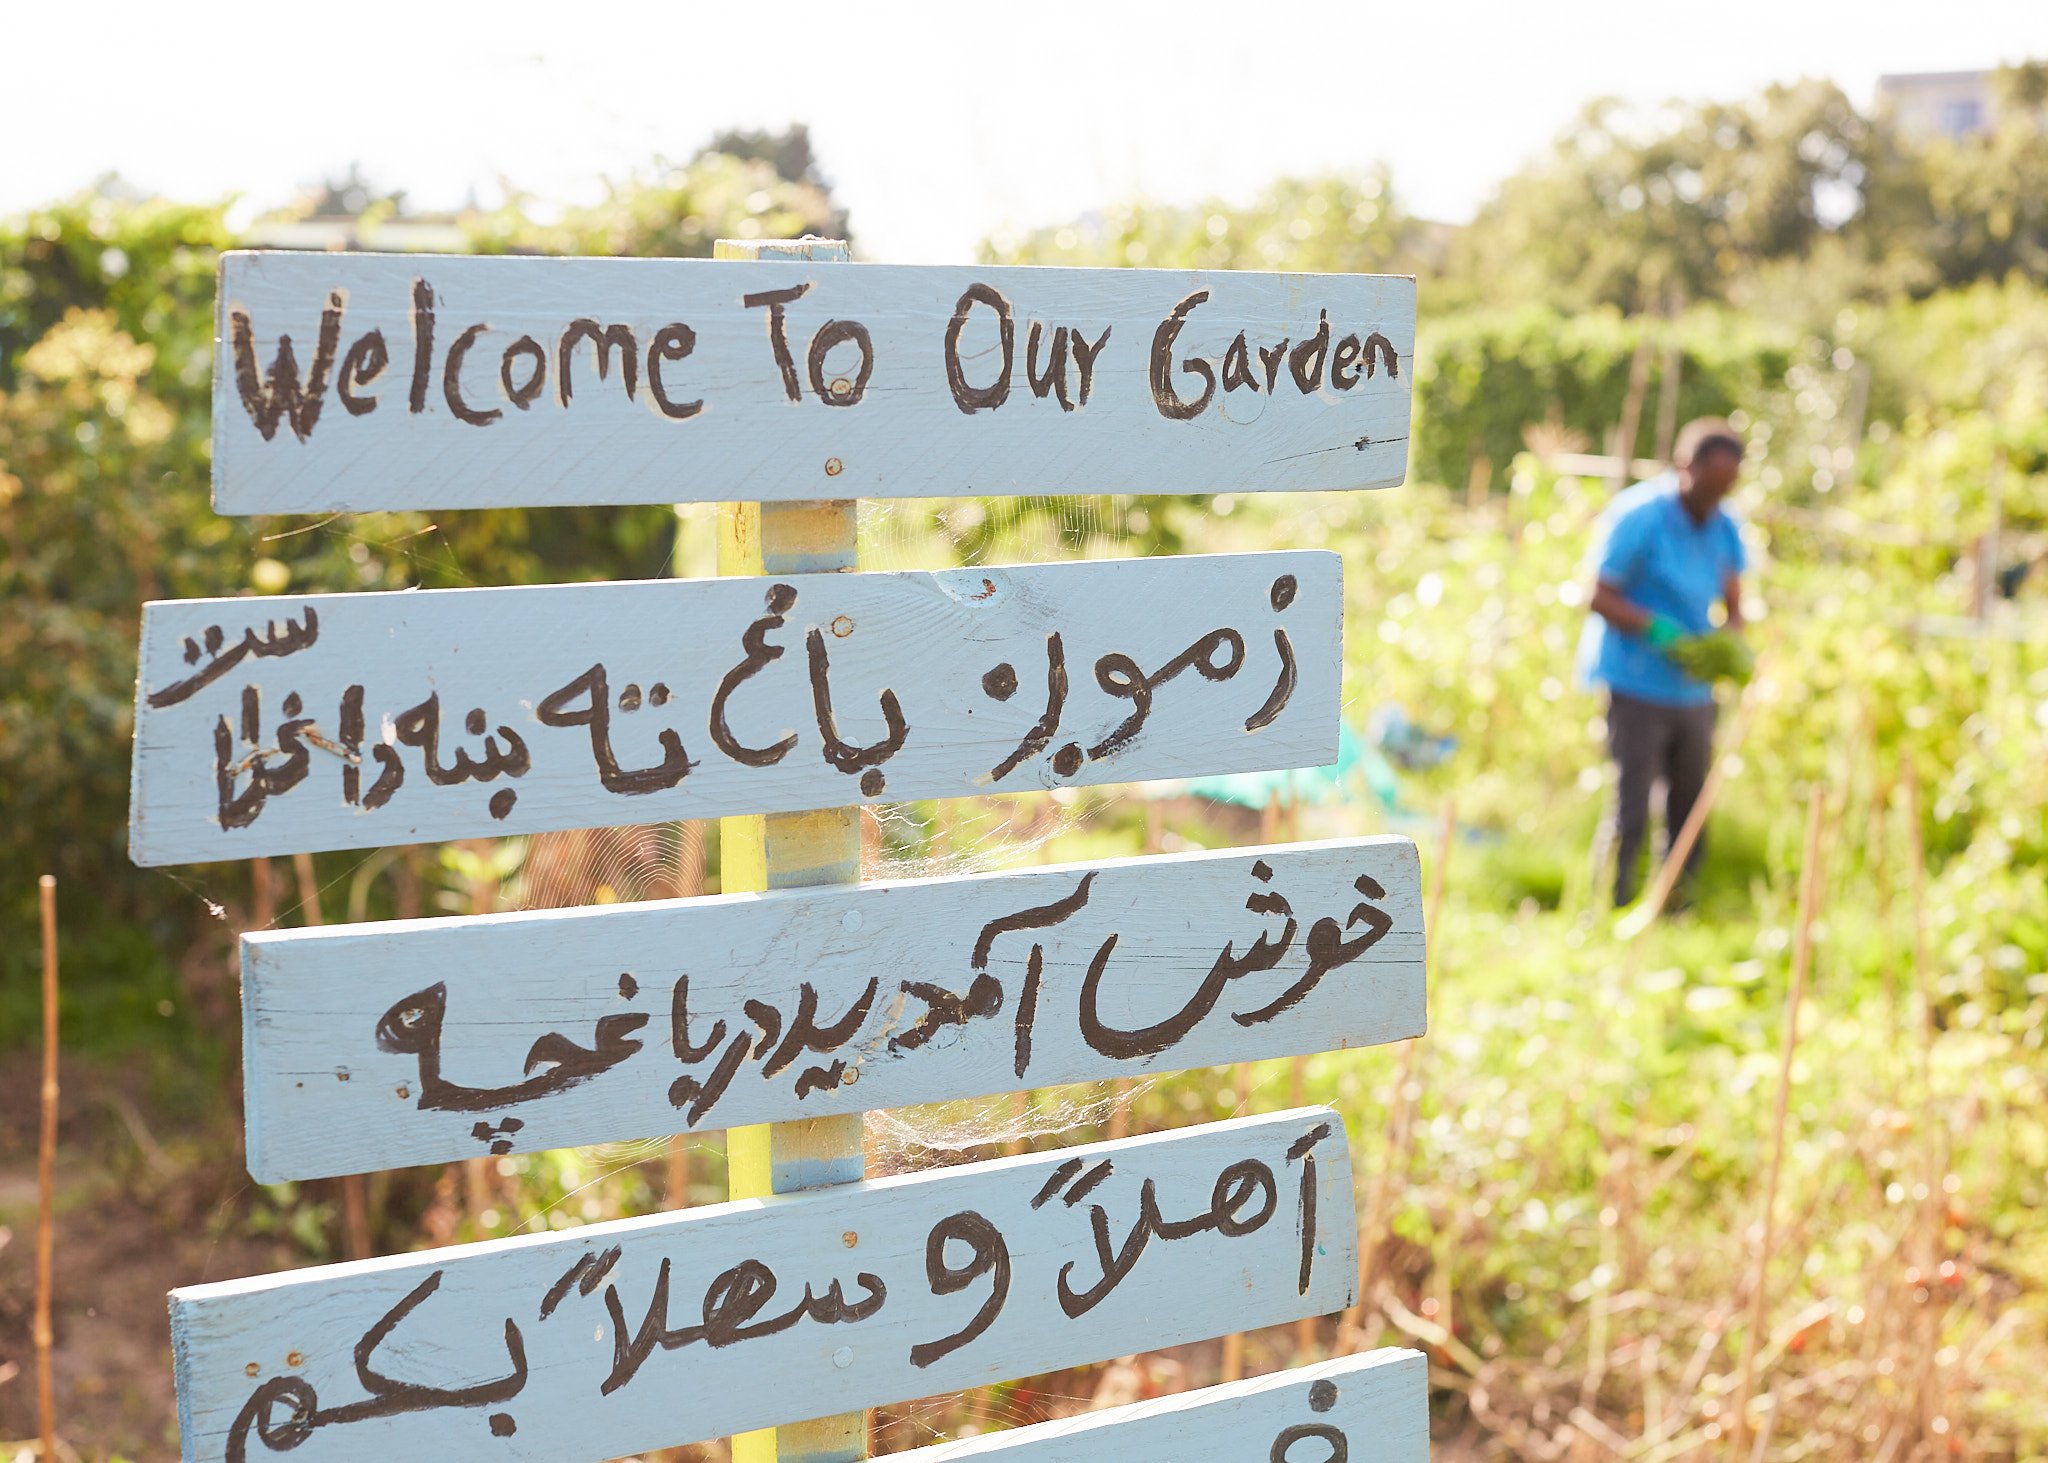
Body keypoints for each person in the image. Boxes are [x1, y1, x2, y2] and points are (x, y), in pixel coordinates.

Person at [1576, 418, 1750, 907]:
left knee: (1689, 804)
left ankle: (1676, 903)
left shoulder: (1724, 524)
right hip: (1635, 681)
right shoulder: (1640, 515)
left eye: (1726, 488)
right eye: (1709, 484)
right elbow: (1597, 595)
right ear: (1683, 466)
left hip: (1692, 689)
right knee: (1631, 804)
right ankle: (1611, 903)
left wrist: (1730, 640)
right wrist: (1655, 628)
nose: (1715, 497)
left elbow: (1735, 598)